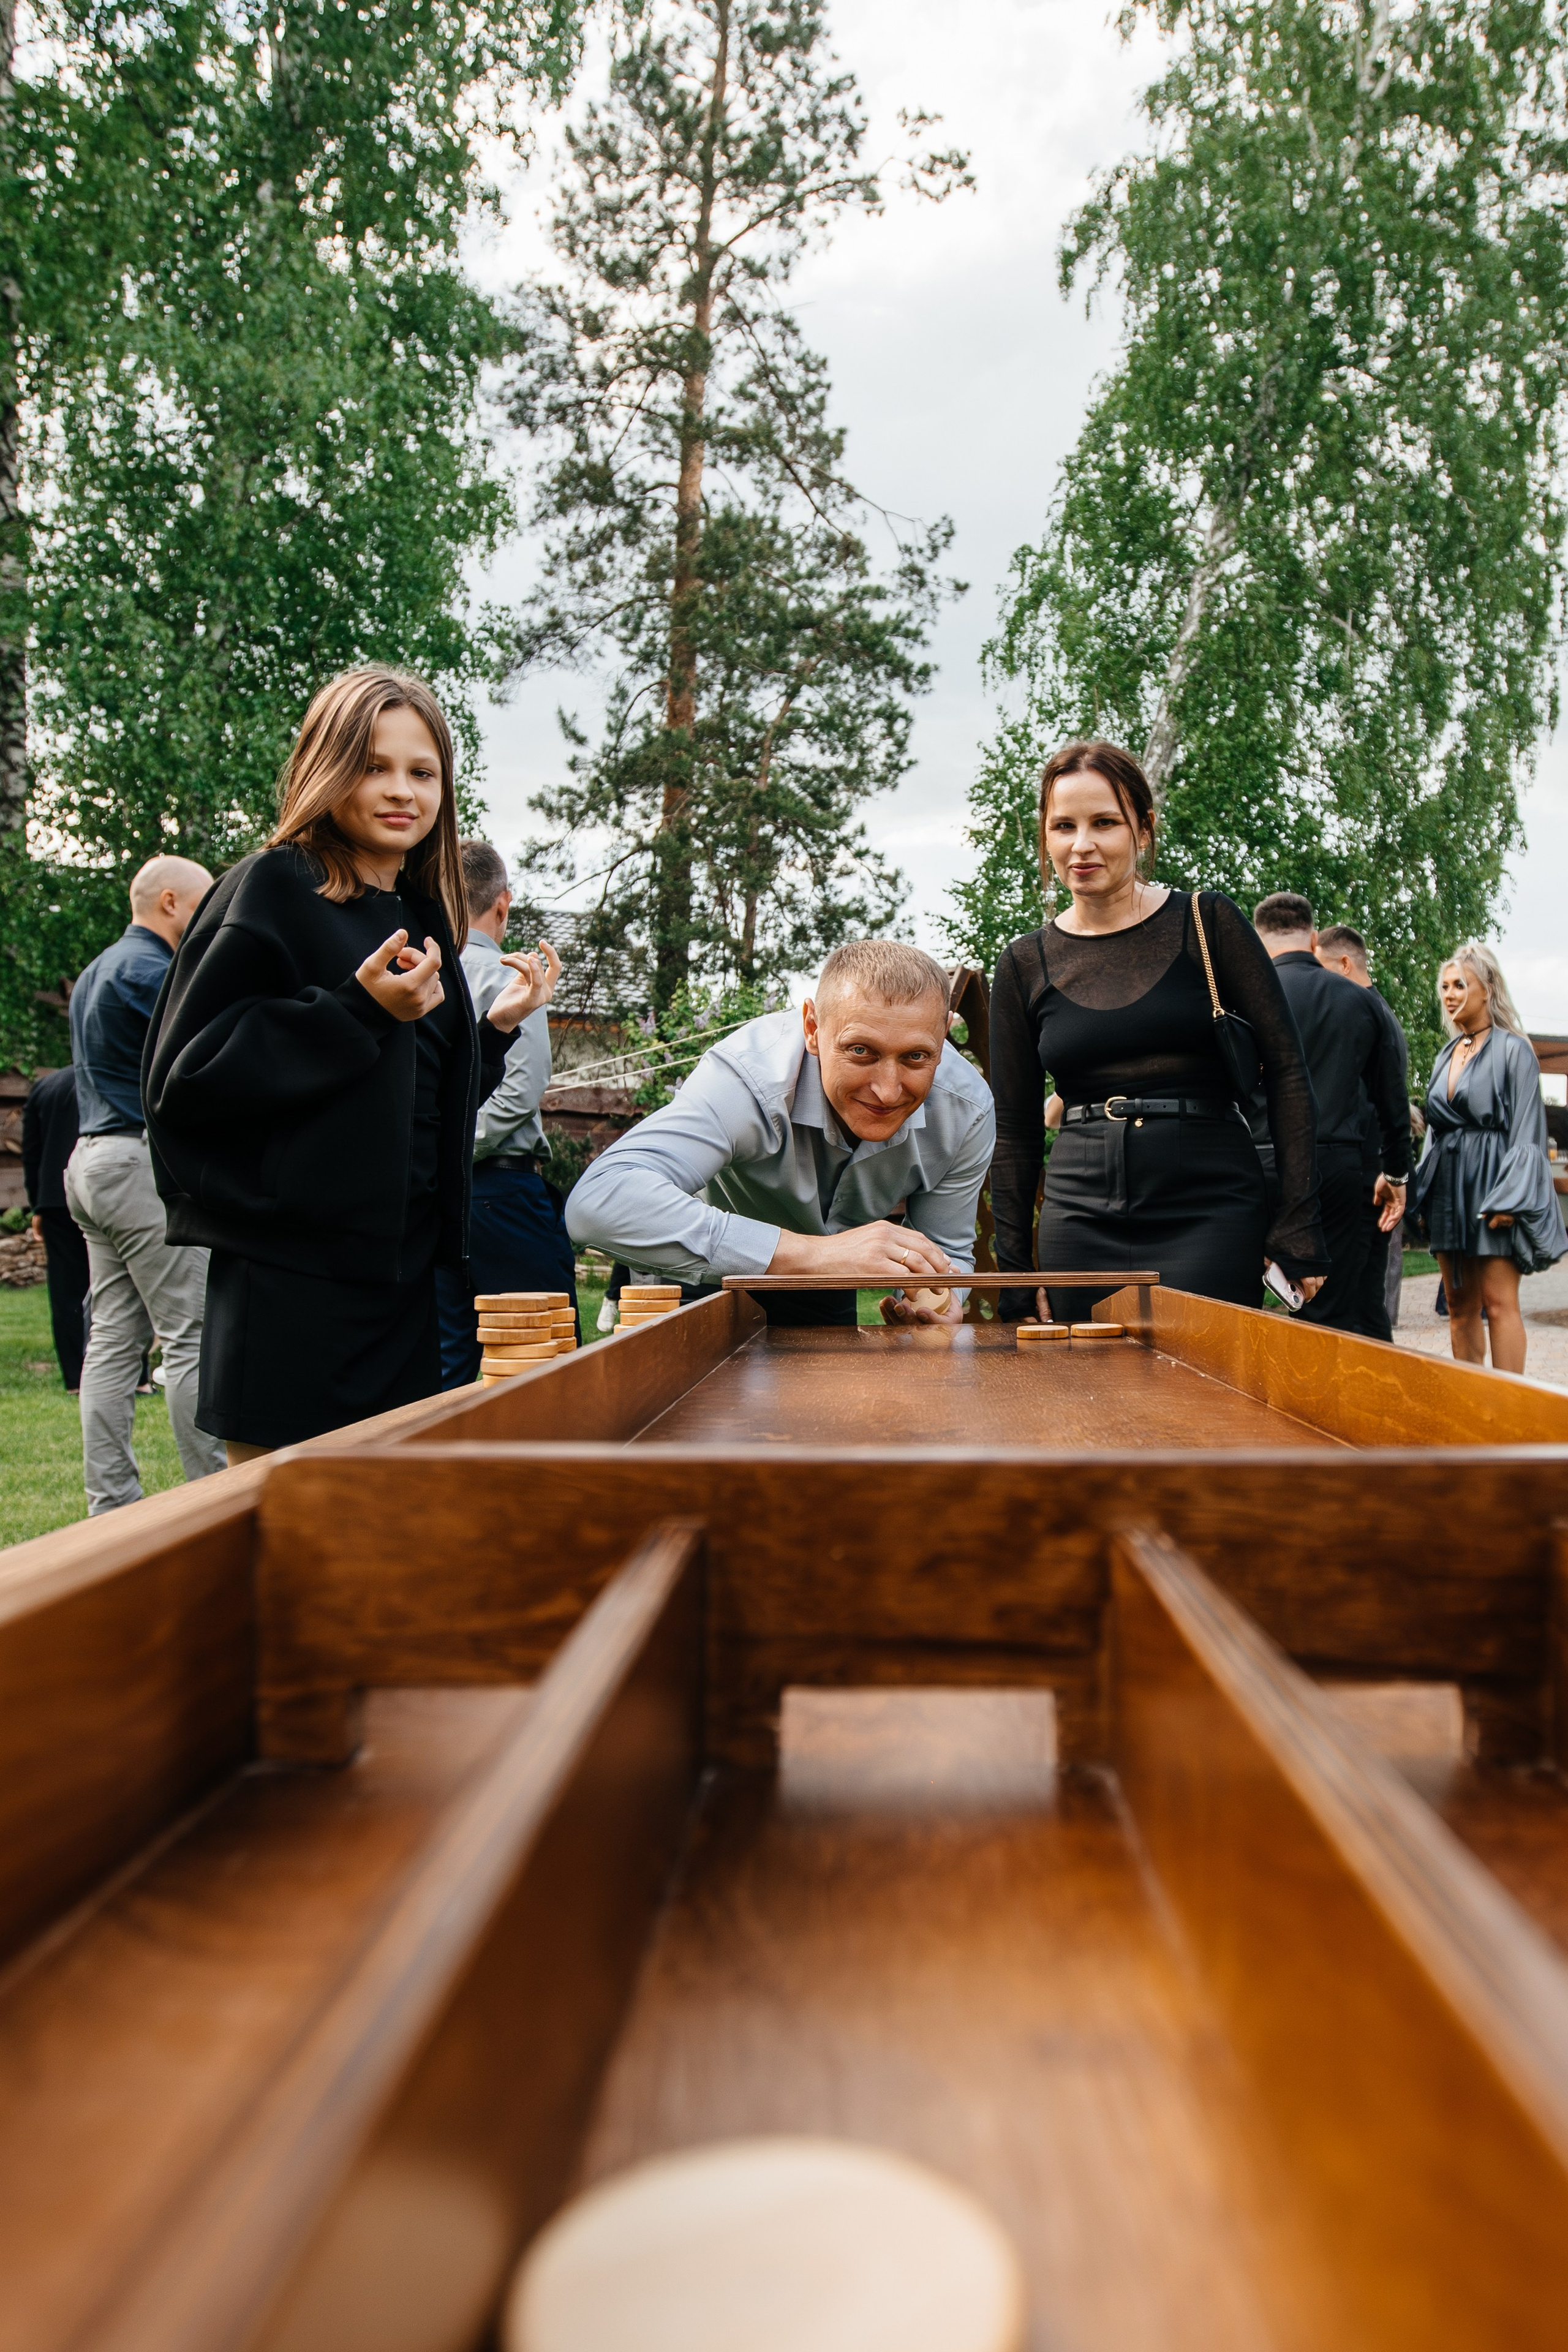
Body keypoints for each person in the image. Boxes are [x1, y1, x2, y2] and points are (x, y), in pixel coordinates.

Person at [143, 668, 552, 1460]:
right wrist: (357, 1011)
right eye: (375, 765)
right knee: (287, 1542)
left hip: (400, 1289)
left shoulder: (420, 913)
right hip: (291, 1286)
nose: (402, 790)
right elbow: (183, 1081)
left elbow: (408, 1105)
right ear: (325, 768)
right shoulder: (270, 891)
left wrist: (493, 1035)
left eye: (422, 772)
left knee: (375, 1544)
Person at [990, 741, 1327, 1325]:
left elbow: (1290, 1076)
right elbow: (1015, 1130)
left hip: (1211, 1205)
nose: (1082, 844)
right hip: (1079, 1213)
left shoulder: (1209, 922)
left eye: (1105, 823)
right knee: (1086, 1401)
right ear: (1045, 837)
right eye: (1063, 825)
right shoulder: (1024, 963)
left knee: (1205, 1399)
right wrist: (1016, 1272)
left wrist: (1298, 1223)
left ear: (1143, 830)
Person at [565, 940, 995, 1326]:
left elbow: (944, 1249)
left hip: (824, 1292)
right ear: (812, 1028)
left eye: (916, 1056)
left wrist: (937, 1304)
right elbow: (597, 1202)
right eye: (860, 1051)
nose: (887, 1090)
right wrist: (821, 1255)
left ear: (944, 1033)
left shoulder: (968, 1110)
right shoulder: (748, 1076)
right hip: (701, 1279)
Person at [62, 856, 226, 1513]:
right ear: (169, 903)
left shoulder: (97, 971)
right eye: (204, 906)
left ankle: (112, 1504)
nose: (211, 920)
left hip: (90, 1161)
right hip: (135, 1163)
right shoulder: (153, 972)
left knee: (112, 1339)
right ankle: (213, 1494)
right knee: (191, 1333)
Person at [436, 840, 578, 1387]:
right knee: (544, 1362)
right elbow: (520, 1091)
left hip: (434, 1198)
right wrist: (457, 1150)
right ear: (503, 905)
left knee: (446, 1369)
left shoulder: (421, 973)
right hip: (501, 1197)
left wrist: (435, 1154)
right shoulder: (513, 976)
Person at [1249, 895, 1409, 1336]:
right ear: (1314, 937)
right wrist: (1397, 1173)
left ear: (1259, 942)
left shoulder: (1238, 994)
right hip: (1335, 1167)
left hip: (1254, 1162)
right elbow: (1392, 1100)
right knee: (1331, 1309)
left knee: (1240, 1298)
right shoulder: (1359, 1001)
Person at [1408, 942, 1564, 1374]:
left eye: (1461, 984)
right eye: (1444, 986)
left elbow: (1529, 1133)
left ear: (1488, 988)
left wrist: (1512, 1199)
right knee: (1459, 1306)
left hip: (1495, 1185)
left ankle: (1508, 1412)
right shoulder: (1445, 1054)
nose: (1450, 994)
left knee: (1498, 1304)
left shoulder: (1515, 1051)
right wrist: (1422, 1192)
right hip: (1448, 1188)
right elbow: (1436, 1133)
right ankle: (1472, 1407)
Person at [1315, 921, 1412, 1340]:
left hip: (1366, 1178)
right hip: (1368, 1174)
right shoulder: (1378, 1010)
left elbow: (1384, 1105)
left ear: (1344, 963)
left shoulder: (1367, 1015)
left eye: (1319, 968)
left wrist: (1383, 1170)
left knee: (1359, 1303)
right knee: (1365, 1299)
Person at [22, 1065, 87, 1392]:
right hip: (97, 1190)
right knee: (119, 1284)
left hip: (54, 1199)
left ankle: (76, 1377)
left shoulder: (45, 1087)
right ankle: (136, 1375)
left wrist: (37, 1204)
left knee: (65, 1290)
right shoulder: (107, 1078)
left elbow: (31, 1153)